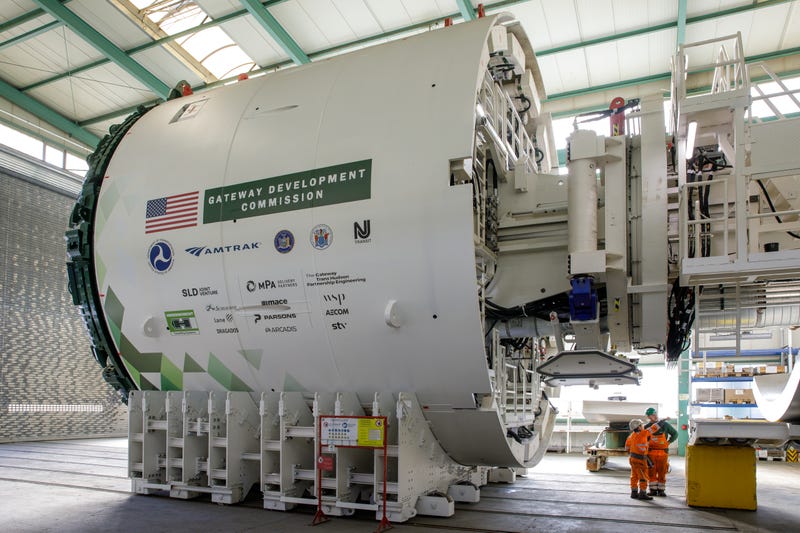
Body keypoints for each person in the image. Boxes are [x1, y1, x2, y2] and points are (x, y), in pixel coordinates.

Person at [644, 407, 678, 496]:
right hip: (651, 453)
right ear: (648, 417)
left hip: (663, 452)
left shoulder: (665, 425)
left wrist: (669, 442)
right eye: (652, 415)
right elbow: (643, 439)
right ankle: (653, 489)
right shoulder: (647, 427)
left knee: (662, 471)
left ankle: (661, 490)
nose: (654, 416)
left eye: (655, 414)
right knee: (651, 471)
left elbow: (675, 433)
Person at [625, 418, 657, 500]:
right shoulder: (643, 433)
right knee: (643, 477)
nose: (643, 426)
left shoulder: (631, 436)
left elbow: (627, 448)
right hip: (640, 460)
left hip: (632, 459)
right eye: (641, 425)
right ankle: (642, 493)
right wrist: (663, 421)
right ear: (638, 427)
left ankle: (634, 492)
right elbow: (653, 428)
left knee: (634, 476)